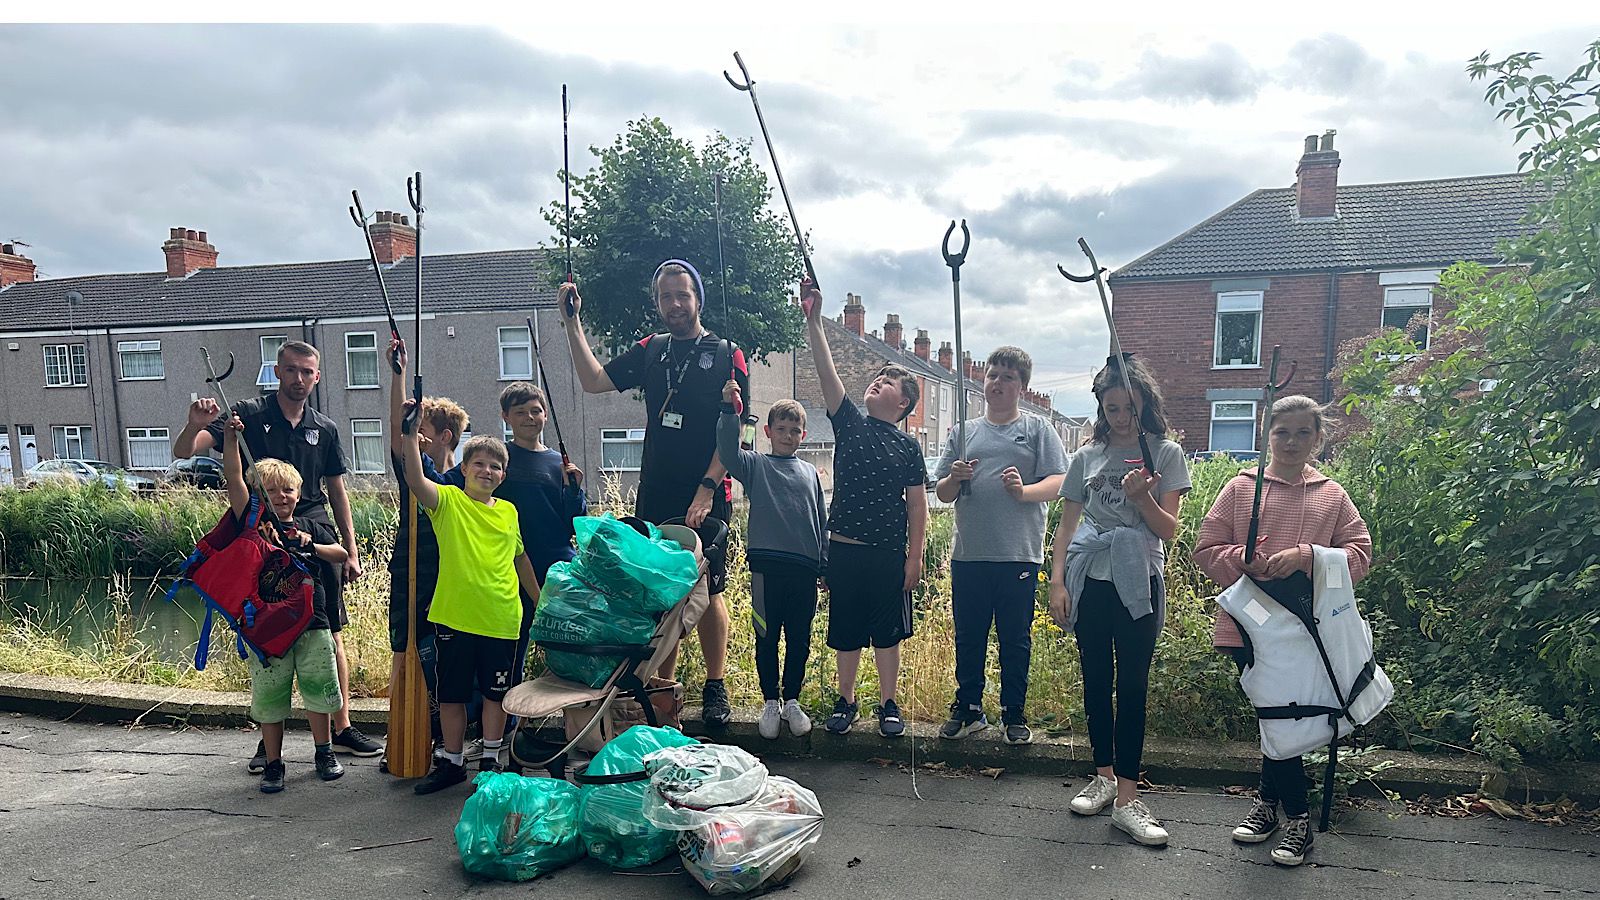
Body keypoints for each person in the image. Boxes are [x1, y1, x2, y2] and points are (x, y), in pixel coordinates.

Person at [174, 339, 383, 771]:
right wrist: (193, 422)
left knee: (328, 634)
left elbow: (337, 489)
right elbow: (186, 450)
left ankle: (339, 731)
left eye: (307, 372)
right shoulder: (248, 414)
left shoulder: (323, 427)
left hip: (313, 534)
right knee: (266, 634)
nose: (299, 379)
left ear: (317, 376)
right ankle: (269, 745)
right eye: (291, 370)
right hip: (261, 540)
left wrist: (351, 548)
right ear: (278, 371)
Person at [560, 260, 749, 727]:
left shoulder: (727, 353)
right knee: (660, 592)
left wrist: (706, 489)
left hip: (706, 491)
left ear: (698, 298)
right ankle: (662, 690)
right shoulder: (651, 350)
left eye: (682, 295)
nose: (675, 305)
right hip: (656, 491)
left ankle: (714, 685)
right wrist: (572, 322)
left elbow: (733, 430)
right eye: (666, 297)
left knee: (708, 589)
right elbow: (593, 381)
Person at [1193, 395, 1373, 867]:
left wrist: (1309, 556)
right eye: (1282, 432)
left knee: (1285, 715)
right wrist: (1241, 561)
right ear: (1266, 435)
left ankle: (1286, 815)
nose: (1291, 442)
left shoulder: (1331, 495)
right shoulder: (1240, 489)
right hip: (1251, 622)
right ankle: (1279, 810)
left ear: (1318, 437)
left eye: (1303, 433)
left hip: (1307, 629)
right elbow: (1206, 549)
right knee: (1275, 712)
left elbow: (1360, 556)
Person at [1047, 354, 1189, 847]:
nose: (1121, 417)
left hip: (1139, 579)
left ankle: (1129, 798)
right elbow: (1066, 527)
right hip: (1092, 579)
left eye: (1129, 407)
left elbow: (1169, 530)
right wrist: (1058, 581)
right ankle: (1104, 776)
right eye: (1111, 408)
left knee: (1132, 685)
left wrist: (1142, 498)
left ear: (1143, 403)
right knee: (1095, 680)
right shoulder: (1086, 458)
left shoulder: (1163, 453)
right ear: (1101, 408)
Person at [800, 278, 928, 739]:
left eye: (890, 381)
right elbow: (825, 369)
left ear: (905, 403)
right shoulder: (849, 423)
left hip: (889, 554)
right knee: (847, 630)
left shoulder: (909, 448)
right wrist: (814, 320)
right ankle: (846, 699)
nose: (879, 381)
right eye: (878, 376)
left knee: (887, 634)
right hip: (845, 550)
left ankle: (889, 703)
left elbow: (918, 509)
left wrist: (914, 559)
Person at [397, 401, 543, 795]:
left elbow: (521, 558)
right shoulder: (448, 502)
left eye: (494, 466)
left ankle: (491, 760)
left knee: (497, 694)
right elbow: (414, 479)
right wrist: (409, 435)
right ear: (464, 469)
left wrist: (540, 600)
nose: (486, 471)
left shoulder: (509, 512)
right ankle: (453, 762)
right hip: (455, 618)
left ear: (503, 475)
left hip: (502, 618)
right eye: (478, 464)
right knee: (452, 695)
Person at [934, 347, 1067, 745]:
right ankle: (969, 707)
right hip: (970, 553)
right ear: (983, 381)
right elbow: (941, 492)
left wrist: (1024, 492)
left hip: (1017, 553)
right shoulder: (963, 432)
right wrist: (955, 478)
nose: (998, 382)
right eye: (993, 375)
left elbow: (1060, 481)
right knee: (969, 635)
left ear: (1022, 387)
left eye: (1008, 376)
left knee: (1014, 636)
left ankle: (1014, 712)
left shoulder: (1038, 429)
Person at [220, 415, 346, 794]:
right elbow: (234, 479)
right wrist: (230, 440)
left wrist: (309, 544)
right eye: (272, 490)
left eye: (288, 490)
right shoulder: (252, 523)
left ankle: (323, 752)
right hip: (269, 627)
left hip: (313, 620)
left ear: (298, 492)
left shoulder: (312, 525)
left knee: (320, 688)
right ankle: (274, 763)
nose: (282, 496)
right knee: (271, 697)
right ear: (260, 493)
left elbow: (338, 553)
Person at [717, 383, 827, 739]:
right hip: (767, 569)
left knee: (799, 638)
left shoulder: (811, 473)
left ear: (803, 434)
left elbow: (821, 520)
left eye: (795, 430)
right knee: (766, 636)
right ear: (767, 432)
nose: (788, 435)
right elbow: (727, 453)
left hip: (804, 570)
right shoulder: (754, 465)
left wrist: (824, 565)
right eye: (780, 429)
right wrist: (728, 411)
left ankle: (792, 699)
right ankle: (770, 701)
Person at [383, 340, 469, 769]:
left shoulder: (462, 478)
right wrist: (399, 374)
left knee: (444, 654)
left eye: (422, 434)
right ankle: (399, 736)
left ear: (443, 438)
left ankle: (443, 736)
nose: (412, 440)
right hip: (410, 568)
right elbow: (401, 440)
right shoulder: (412, 467)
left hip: (448, 575)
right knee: (405, 648)